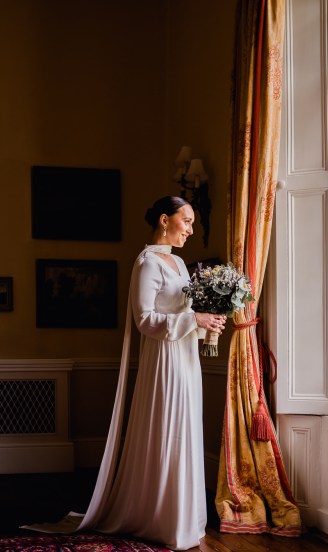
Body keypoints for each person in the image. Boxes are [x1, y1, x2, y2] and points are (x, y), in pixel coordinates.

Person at [23, 195, 226, 551]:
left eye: (193, 223)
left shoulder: (179, 263)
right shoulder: (147, 262)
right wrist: (194, 318)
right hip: (163, 361)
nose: (191, 230)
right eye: (187, 221)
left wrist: (206, 323)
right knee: (167, 430)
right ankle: (161, 518)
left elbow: (183, 311)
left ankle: (184, 518)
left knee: (185, 430)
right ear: (165, 220)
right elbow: (144, 319)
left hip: (186, 358)